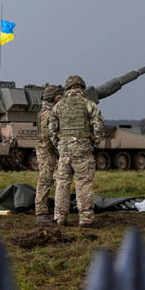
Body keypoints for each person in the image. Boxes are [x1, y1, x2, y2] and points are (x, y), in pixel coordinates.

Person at [48, 75, 104, 227]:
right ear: (82, 87)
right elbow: (98, 127)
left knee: (62, 183)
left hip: (64, 151)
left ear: (67, 88)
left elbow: (51, 129)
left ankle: (60, 217)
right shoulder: (88, 104)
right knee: (83, 183)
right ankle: (85, 218)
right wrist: (93, 143)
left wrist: (59, 145)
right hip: (82, 149)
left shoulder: (58, 106)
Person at [34, 84, 64, 225]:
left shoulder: (51, 112)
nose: (62, 98)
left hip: (48, 152)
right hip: (47, 153)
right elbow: (48, 139)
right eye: (59, 96)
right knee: (45, 181)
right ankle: (41, 213)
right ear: (52, 97)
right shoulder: (48, 114)